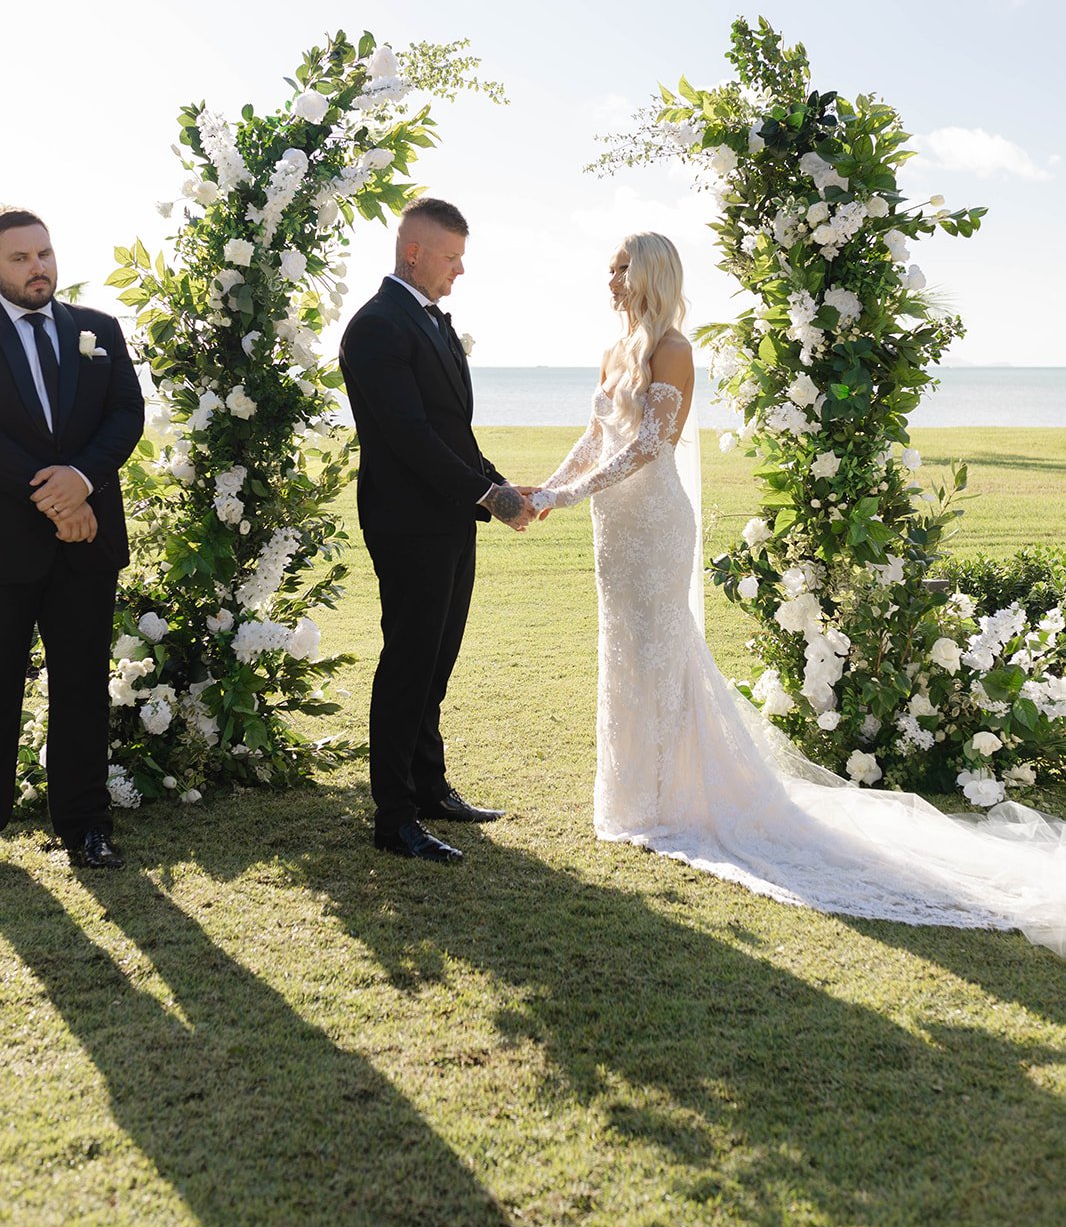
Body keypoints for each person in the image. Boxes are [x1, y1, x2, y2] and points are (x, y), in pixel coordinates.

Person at [530, 232, 1066, 955]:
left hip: (653, 522)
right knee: (623, 651)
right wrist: (549, 489)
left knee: (663, 652)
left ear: (650, 273)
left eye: (620, 267)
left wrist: (569, 497)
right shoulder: (615, 349)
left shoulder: (674, 351)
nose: (610, 276)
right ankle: (633, 797)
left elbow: (651, 445)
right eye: (610, 266)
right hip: (612, 529)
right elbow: (595, 438)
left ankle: (668, 802)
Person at [340, 196, 534, 864]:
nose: (459, 271)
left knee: (437, 662)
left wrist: (499, 487)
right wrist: (488, 495)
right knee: (408, 665)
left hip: (450, 520)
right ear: (414, 253)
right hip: (406, 525)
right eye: (451, 258)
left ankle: (429, 788)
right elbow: (411, 437)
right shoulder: (375, 327)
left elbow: (453, 432)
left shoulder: (431, 322)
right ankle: (394, 818)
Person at [0, 207, 145, 867]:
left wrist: (82, 479)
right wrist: (55, 495)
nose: (39, 268)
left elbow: (126, 413)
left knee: (82, 684)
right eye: (21, 259)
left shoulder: (97, 328)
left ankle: (85, 826)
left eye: (45, 254)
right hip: (8, 543)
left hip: (87, 542)